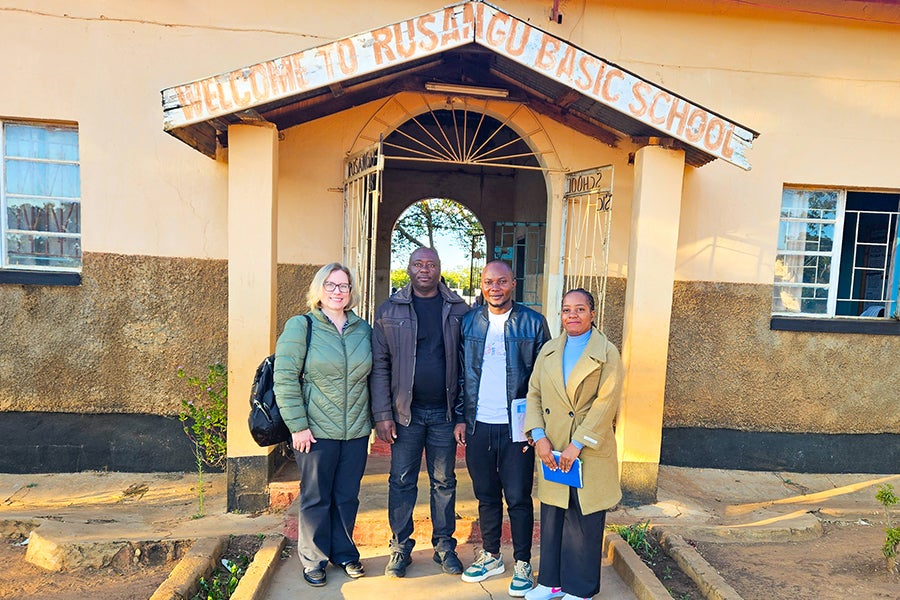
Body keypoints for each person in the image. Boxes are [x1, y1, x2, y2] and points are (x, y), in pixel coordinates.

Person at [370, 246, 470, 578]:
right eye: (417, 264)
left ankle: (445, 547)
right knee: (401, 482)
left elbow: (468, 367)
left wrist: (461, 416)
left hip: (443, 415)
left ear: (440, 268)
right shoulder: (389, 311)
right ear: (408, 268)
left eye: (431, 264)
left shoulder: (458, 310)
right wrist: (383, 414)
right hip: (404, 416)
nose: (424, 269)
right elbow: (380, 366)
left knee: (444, 482)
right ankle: (400, 548)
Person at [454, 261, 551, 597]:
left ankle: (522, 561)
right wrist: (460, 419)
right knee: (486, 495)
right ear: (482, 286)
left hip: (517, 429)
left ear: (513, 283)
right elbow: (460, 375)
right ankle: (492, 555)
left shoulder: (533, 323)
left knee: (519, 497)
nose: (494, 288)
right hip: (479, 425)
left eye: (501, 281)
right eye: (488, 282)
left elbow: (543, 382)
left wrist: (536, 429)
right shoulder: (469, 322)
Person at [274, 263, 373, 588]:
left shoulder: (363, 329)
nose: (337, 291)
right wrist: (298, 426)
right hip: (314, 431)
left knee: (347, 496)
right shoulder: (302, 326)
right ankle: (314, 558)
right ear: (319, 289)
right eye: (331, 285)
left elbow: (374, 376)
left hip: (356, 431)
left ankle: (344, 553)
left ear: (351, 292)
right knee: (316, 497)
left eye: (343, 286)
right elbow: (285, 378)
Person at [523, 288, 623, 600]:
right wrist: (538, 436)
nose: (572, 316)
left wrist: (577, 444)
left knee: (583, 518)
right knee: (553, 514)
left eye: (580, 309)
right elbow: (534, 394)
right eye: (566, 310)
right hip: (552, 446)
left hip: (587, 450)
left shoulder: (608, 353)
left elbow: (605, 405)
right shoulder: (550, 350)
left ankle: (580, 589)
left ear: (593, 313)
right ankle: (551, 582)